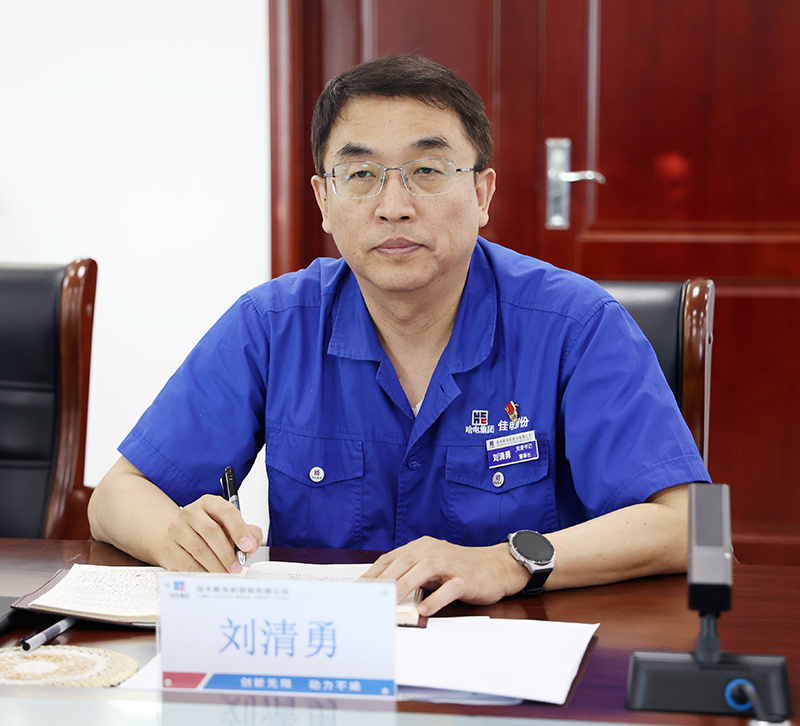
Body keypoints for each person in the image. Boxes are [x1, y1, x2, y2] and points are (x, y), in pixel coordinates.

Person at [88, 55, 710, 616]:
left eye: (427, 170)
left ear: (482, 192)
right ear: (324, 201)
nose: (393, 206)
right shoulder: (272, 325)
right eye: (360, 174)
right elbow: (117, 496)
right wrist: (177, 537)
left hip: (518, 657)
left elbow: (691, 527)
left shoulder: (577, 325)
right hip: (332, 662)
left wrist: (506, 562)